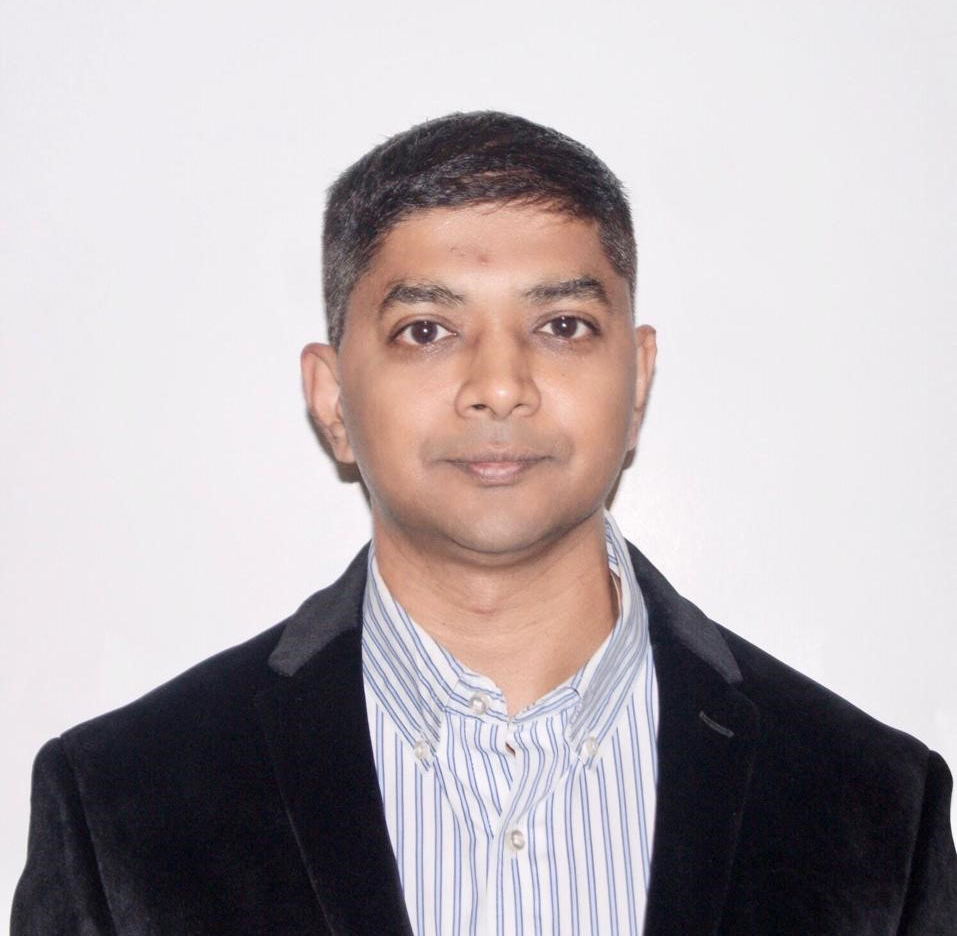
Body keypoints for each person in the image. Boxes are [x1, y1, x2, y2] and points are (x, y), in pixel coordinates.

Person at [12, 111, 956, 936]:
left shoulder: (873, 807)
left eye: (562, 325)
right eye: (426, 329)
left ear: (637, 381)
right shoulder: (122, 804)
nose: (499, 385)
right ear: (332, 398)